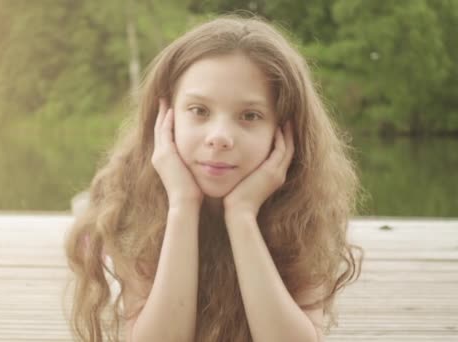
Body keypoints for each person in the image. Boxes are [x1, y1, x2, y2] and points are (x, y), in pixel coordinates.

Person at [64, 14, 363, 342]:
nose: (219, 137)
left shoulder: (303, 211)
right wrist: (182, 205)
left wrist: (242, 215)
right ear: (166, 118)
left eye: (250, 115)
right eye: (199, 111)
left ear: (284, 132)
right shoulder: (134, 207)